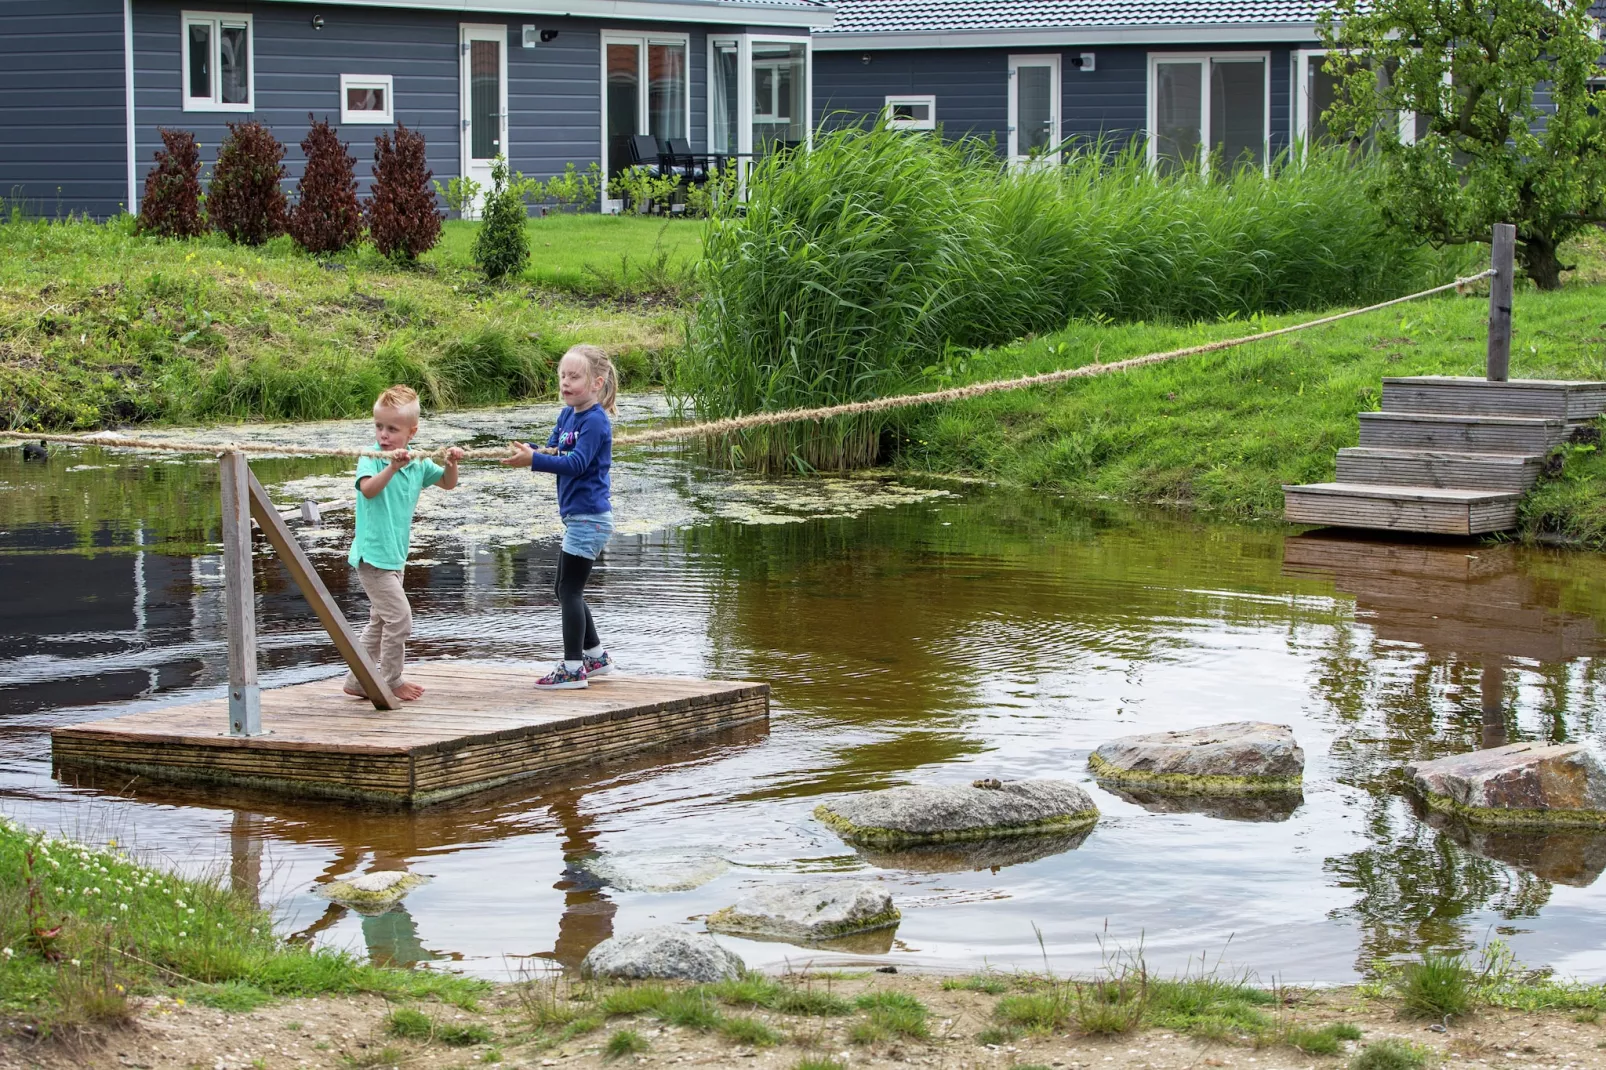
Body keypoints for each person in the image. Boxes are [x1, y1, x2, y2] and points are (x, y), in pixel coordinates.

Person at [501, 345, 617, 690]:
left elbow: (577, 464)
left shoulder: (595, 421)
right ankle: (594, 657)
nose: (565, 383)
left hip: (590, 517)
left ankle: (572, 668)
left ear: (597, 382)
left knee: (569, 590)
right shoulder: (567, 416)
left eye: (574, 377)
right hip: (579, 518)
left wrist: (534, 462)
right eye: (562, 376)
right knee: (565, 588)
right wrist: (531, 452)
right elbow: (553, 448)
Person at [344, 384, 463, 702]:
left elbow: (448, 484)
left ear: (412, 432)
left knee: (381, 621)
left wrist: (451, 463)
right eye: (379, 427)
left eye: (392, 429)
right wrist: (392, 467)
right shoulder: (372, 458)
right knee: (400, 619)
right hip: (372, 557)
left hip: (395, 557)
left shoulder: (419, 463)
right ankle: (392, 679)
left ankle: (357, 680)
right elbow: (368, 490)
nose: (384, 435)